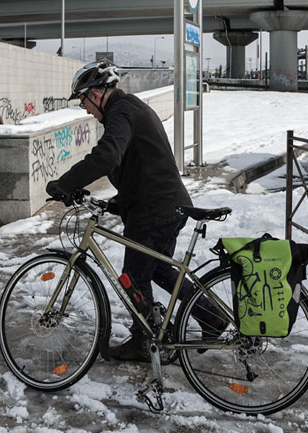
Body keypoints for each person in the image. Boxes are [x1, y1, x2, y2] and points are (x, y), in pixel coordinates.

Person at [46, 61, 225, 362]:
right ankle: (211, 317)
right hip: (166, 203)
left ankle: (144, 341)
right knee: (159, 270)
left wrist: (64, 184)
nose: (85, 108)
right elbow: (140, 164)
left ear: (98, 93)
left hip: (154, 210)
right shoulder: (128, 108)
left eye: (84, 100)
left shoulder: (122, 111)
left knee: (132, 276)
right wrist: (119, 201)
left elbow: (107, 156)